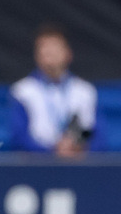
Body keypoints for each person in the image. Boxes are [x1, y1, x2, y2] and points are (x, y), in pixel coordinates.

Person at [9, 24, 99, 157]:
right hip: (37, 167)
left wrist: (79, 150)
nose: (49, 53)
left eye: (54, 47)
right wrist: (53, 152)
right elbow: (19, 138)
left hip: (79, 165)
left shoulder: (85, 91)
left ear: (68, 53)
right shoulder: (23, 91)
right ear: (37, 55)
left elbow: (98, 136)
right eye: (44, 48)